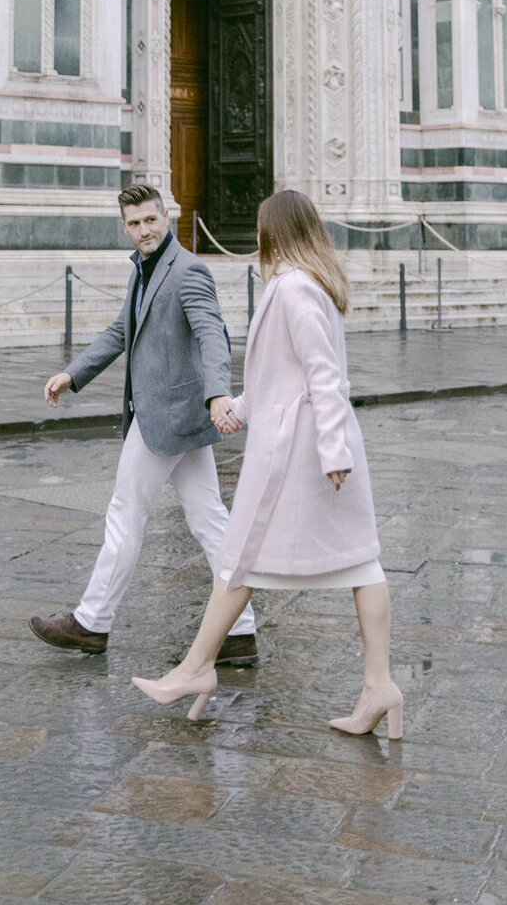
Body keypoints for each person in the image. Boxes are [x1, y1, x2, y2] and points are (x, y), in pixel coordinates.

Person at [131, 189, 401, 738]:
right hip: (306, 439)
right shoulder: (305, 285)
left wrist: (332, 451)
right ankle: (379, 686)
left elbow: (323, 377)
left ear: (272, 232)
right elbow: (287, 377)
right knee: (354, 560)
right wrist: (240, 407)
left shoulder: (295, 290)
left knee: (243, 555)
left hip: (300, 450)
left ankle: (196, 669)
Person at [30, 183, 258, 665]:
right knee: (209, 519)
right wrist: (73, 374)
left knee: (125, 511)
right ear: (125, 227)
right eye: (133, 224)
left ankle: (92, 622)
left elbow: (213, 335)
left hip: (167, 415)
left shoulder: (188, 269)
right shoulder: (143, 270)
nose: (143, 231)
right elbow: (122, 330)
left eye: (149, 221)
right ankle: (240, 631)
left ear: (167, 216)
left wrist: (218, 393)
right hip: (178, 415)